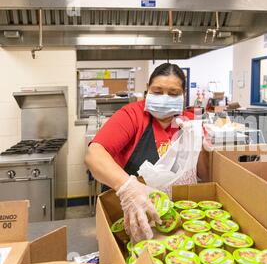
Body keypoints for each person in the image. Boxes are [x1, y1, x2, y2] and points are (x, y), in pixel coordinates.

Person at [85, 63, 207, 243]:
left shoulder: (189, 123)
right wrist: (128, 188)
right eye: (157, 92)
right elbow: (93, 154)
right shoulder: (132, 115)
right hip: (130, 217)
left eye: (173, 93)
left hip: (173, 222)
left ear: (183, 96)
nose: (165, 98)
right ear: (147, 91)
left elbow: (203, 174)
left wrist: (202, 144)